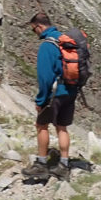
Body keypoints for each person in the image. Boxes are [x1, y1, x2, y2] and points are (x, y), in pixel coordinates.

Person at [21, 11, 77, 181]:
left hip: (55, 93)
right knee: (62, 127)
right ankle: (64, 165)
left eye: (33, 30)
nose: (35, 33)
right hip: (71, 90)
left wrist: (41, 100)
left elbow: (45, 77)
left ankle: (41, 164)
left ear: (39, 26)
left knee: (42, 125)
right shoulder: (65, 40)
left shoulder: (47, 45)